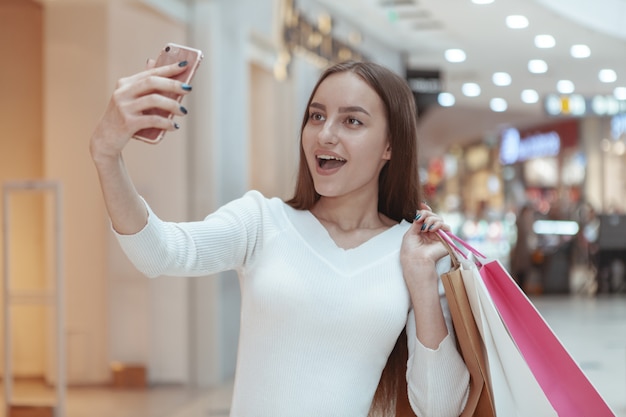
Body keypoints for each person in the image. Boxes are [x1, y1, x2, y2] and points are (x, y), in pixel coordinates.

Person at [90, 59, 470, 416]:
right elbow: (158, 252)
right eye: (316, 116)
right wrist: (107, 155)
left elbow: (440, 407)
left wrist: (422, 279)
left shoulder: (413, 252)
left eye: (352, 121)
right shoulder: (262, 221)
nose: (325, 134)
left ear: (390, 145)